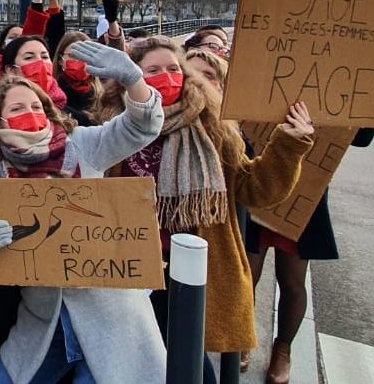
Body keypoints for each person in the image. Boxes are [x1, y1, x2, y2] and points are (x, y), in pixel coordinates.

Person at [99, 37, 313, 381]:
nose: (166, 76)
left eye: (173, 69)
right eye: (152, 70)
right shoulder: (110, 126)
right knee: (137, 363)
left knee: (192, 368)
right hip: (129, 270)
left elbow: (256, 187)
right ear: (133, 77)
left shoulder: (212, 127)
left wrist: (289, 144)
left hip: (192, 273)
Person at [0, 48, 167, 383]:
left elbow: (140, 128)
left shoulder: (82, 145)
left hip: (111, 316)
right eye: (17, 108)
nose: (30, 113)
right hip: (44, 321)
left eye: (36, 106)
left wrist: (135, 81)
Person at [243, 127, 374, 382]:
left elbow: (363, 137)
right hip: (261, 177)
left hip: (304, 191)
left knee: (292, 280)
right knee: (247, 274)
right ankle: (243, 338)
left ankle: (283, 350)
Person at [52, 31, 103, 125]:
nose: (78, 60)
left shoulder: (102, 95)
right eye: (72, 55)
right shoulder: (53, 95)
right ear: (60, 60)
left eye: (84, 56)